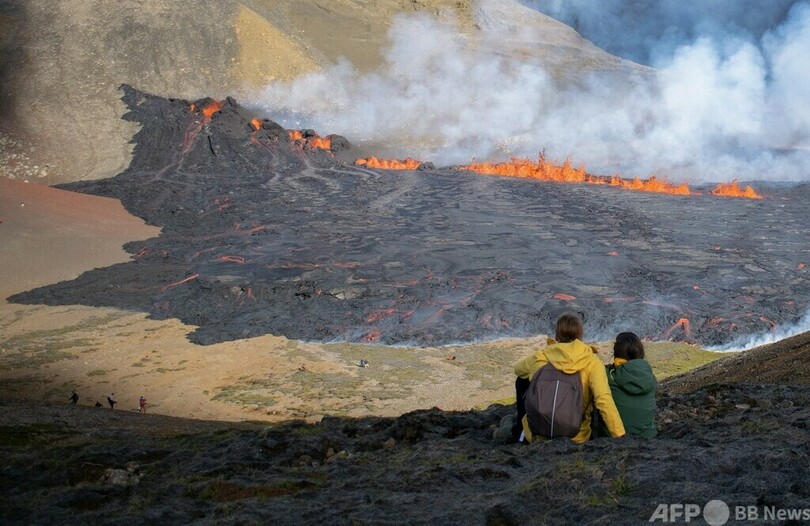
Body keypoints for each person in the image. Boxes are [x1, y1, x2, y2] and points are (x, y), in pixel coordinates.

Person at [500, 313, 625, 443]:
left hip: (538, 434)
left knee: (521, 380)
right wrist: (620, 436)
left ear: (557, 335)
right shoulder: (591, 362)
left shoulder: (542, 356)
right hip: (576, 437)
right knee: (595, 392)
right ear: (580, 336)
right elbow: (603, 399)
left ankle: (519, 428)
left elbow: (518, 370)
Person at [594, 332, 657, 438]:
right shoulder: (649, 376)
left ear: (616, 352)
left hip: (612, 439)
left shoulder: (607, 375)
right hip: (648, 437)